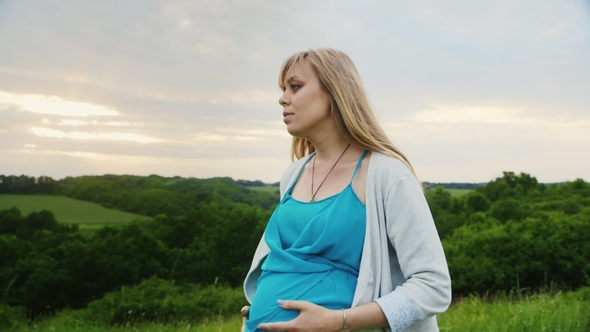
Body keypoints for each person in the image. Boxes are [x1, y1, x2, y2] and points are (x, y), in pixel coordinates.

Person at [241, 47, 451, 332]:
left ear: (333, 92)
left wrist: (338, 321)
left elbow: (434, 286)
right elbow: (290, 266)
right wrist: (262, 305)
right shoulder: (293, 174)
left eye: (295, 86)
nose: (283, 98)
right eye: (284, 89)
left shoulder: (387, 175)